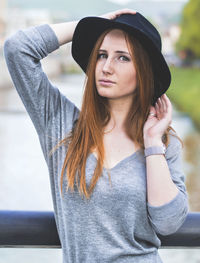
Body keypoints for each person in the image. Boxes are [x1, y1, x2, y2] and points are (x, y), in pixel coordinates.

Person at [4, 8, 188, 263]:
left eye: (122, 58)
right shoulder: (62, 127)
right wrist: (88, 25)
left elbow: (168, 222)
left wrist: (153, 144)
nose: (106, 67)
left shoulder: (164, 143)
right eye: (102, 55)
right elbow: (17, 49)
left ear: (144, 70)